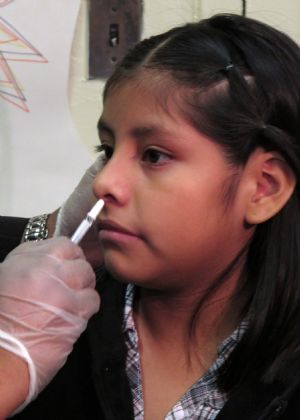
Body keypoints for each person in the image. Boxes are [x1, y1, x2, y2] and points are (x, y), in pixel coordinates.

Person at [2, 12, 300, 419]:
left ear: (264, 187)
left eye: (154, 155)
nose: (104, 182)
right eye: (107, 150)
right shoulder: (37, 312)